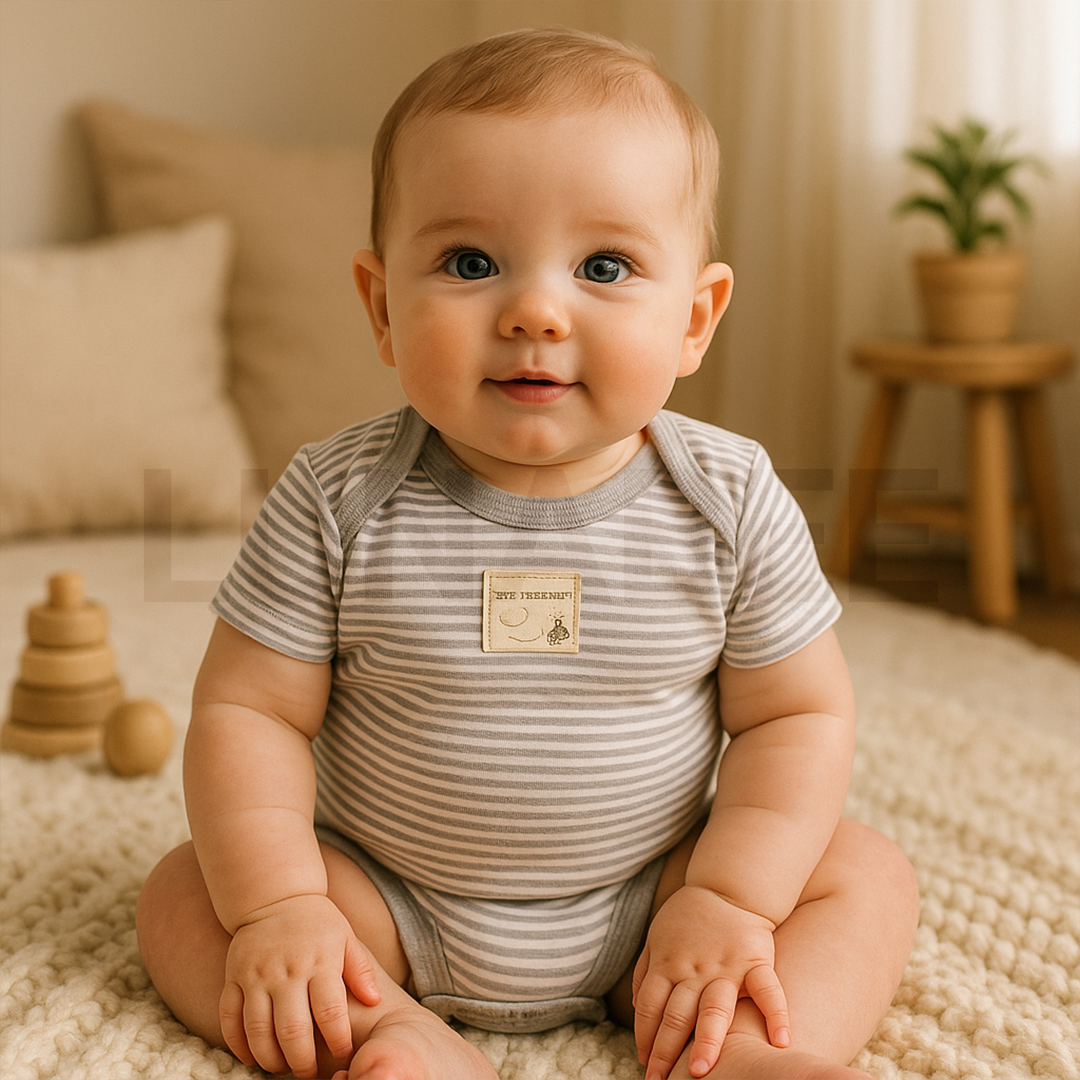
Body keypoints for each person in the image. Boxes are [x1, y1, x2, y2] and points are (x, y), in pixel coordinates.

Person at [136, 27, 919, 1080]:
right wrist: (281, 907)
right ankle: (389, 1037)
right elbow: (250, 711)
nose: (536, 312)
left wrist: (729, 898)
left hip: (657, 900)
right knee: (188, 897)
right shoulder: (334, 496)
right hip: (383, 903)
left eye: (604, 266)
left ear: (695, 319)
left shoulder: (729, 500)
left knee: (863, 876)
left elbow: (796, 714)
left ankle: (741, 1049)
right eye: (470, 262)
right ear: (380, 305)